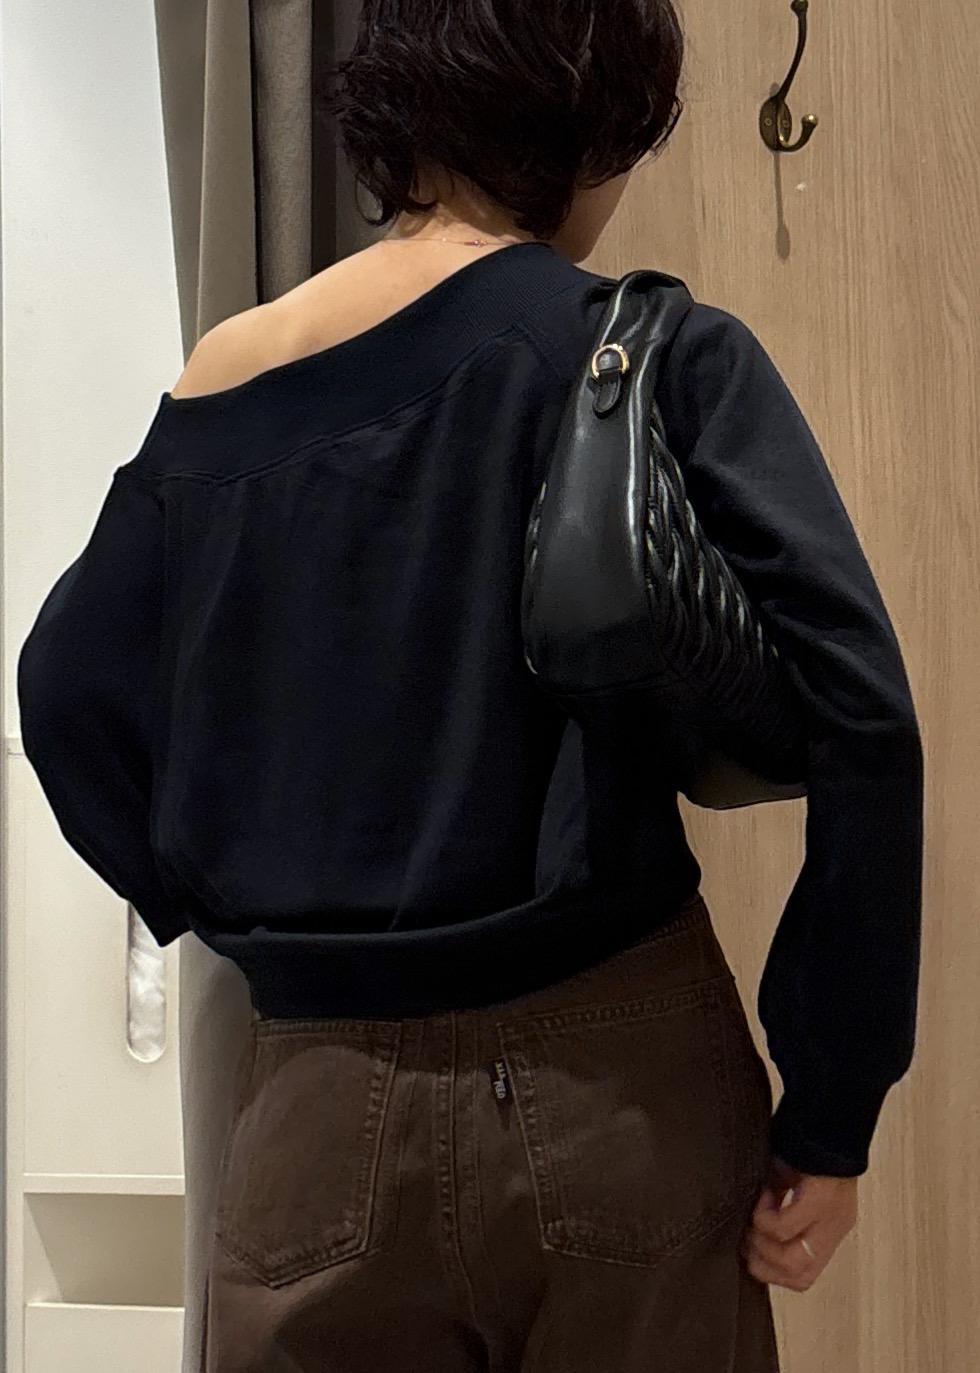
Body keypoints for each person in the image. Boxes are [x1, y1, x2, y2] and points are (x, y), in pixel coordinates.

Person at [16, 1, 923, 1369]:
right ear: (588, 124)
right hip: (615, 1082)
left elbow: (62, 690)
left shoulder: (224, 382)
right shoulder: (636, 350)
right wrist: (833, 1108)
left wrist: (219, 892)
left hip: (317, 1107)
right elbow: (863, 715)